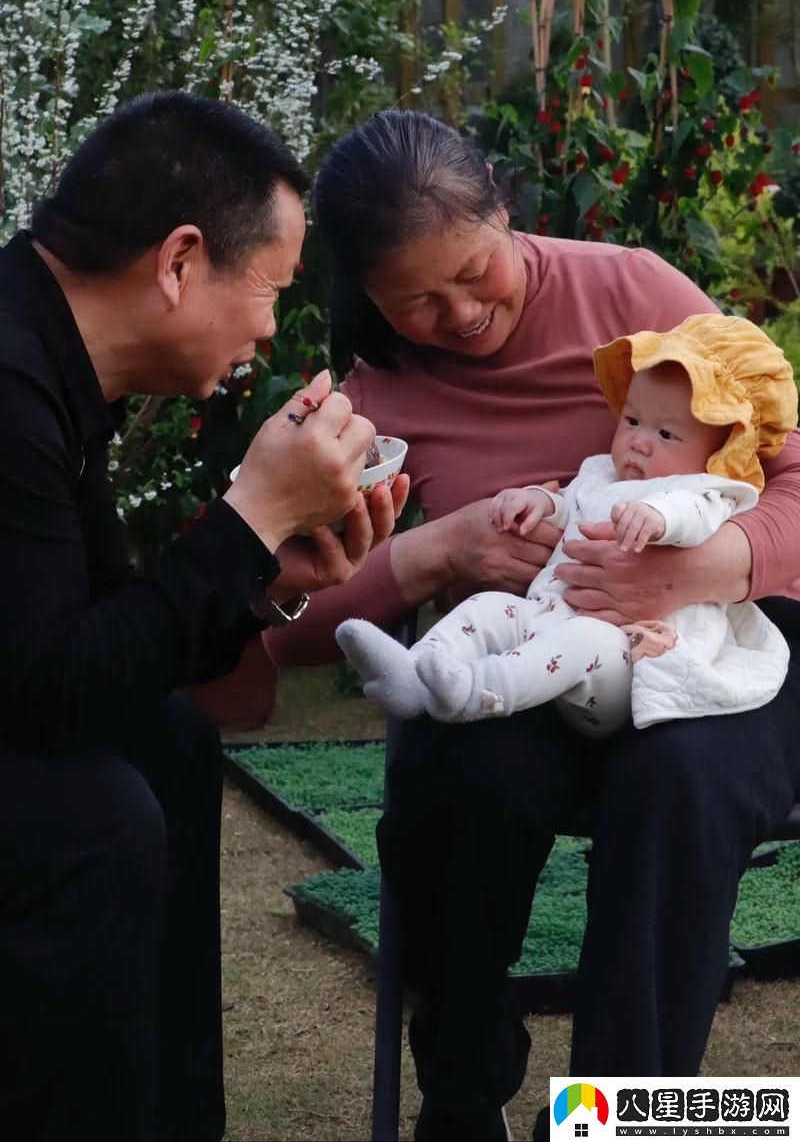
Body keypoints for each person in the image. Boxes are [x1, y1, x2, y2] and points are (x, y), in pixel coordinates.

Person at [265, 108, 800, 1142]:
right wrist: (434, 551)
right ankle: (464, 1096)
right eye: (416, 299)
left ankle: (624, 1124)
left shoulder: (632, 289)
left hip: (715, 654)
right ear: (367, 295)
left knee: (673, 788)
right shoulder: (372, 396)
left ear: (505, 214)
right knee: (448, 780)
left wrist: (697, 566)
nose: (460, 313)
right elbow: (281, 620)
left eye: (475, 271)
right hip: (528, 664)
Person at [0, 91, 408, 1142]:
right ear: (179, 261)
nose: (272, 326)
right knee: (93, 825)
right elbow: (50, 693)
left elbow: (94, 634)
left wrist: (268, 573)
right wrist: (249, 511)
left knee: (168, 740)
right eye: (268, 289)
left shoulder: (52, 360)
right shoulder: (9, 375)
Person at [336, 313, 797, 736]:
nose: (639, 443)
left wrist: (660, 517)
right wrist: (535, 501)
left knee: (583, 638)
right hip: (547, 624)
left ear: (720, 451)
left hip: (625, 661)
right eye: (633, 421)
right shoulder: (602, 474)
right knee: (489, 606)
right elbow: (568, 505)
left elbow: (694, 520)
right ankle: (415, 674)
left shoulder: (706, 490)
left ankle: (480, 691)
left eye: (666, 434)